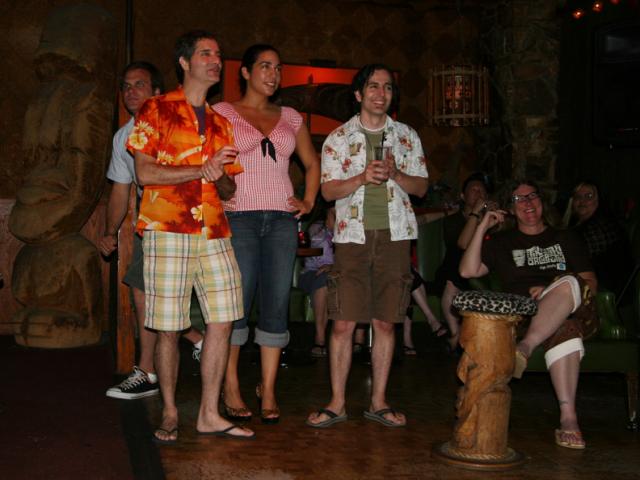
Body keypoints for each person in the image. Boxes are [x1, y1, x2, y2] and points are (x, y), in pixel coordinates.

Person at [128, 30, 254, 443]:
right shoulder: (156, 109)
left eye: (218, 54)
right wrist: (201, 168)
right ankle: (168, 411)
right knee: (168, 327)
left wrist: (218, 175)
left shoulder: (221, 122)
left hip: (214, 229)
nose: (215, 60)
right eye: (205, 53)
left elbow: (229, 189)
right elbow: (144, 173)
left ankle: (208, 414)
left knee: (224, 318)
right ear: (184, 62)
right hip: (168, 228)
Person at [306, 64, 428, 428]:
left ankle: (378, 401)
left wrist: (396, 174)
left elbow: (422, 187)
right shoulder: (338, 138)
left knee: (386, 323)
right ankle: (337, 402)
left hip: (395, 236)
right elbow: (328, 191)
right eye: (373, 86)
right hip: (352, 238)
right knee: (343, 323)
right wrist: (361, 177)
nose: (380, 93)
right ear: (359, 94)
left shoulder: (406, 135)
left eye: (387, 87)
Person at [213, 44, 320, 424]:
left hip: (281, 221)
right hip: (239, 218)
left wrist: (308, 200)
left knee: (276, 303)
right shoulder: (223, 112)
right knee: (237, 304)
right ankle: (230, 386)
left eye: (277, 68)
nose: (273, 74)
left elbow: (311, 163)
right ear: (245, 72)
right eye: (264, 66)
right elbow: (210, 162)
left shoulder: (290, 116)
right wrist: (220, 188)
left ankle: (269, 388)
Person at [459, 178, 598, 449]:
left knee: (568, 283)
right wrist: (483, 226)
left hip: (571, 307)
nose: (527, 203)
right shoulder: (502, 243)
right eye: (519, 199)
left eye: (532, 196)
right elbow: (467, 271)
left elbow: (590, 283)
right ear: (511, 209)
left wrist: (551, 289)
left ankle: (524, 348)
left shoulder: (566, 237)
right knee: (565, 329)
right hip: (526, 317)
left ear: (542, 201)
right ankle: (569, 419)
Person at [100, 61, 204, 400]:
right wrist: (109, 231)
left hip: (193, 219)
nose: (130, 91)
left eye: (139, 84)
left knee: (150, 294)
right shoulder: (123, 137)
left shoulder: (177, 121)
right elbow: (120, 190)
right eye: (126, 86)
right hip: (153, 224)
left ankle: (163, 363)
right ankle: (153, 367)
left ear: (157, 92)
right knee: (143, 291)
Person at [435, 172, 490, 350]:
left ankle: (457, 337)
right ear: (463, 196)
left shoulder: (491, 218)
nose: (478, 194)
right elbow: (462, 244)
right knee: (454, 267)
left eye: (481, 191)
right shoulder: (452, 220)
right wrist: (475, 214)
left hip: (483, 269)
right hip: (454, 269)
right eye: (473, 190)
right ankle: (456, 333)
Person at [564, 181, 633, 297]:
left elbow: (576, 256)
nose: (582, 201)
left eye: (589, 196)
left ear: (599, 200)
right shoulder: (576, 225)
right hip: (593, 286)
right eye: (578, 197)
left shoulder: (603, 225)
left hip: (609, 294)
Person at [298, 206, 336, 358]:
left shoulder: (350, 228)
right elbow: (319, 260)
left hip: (339, 274)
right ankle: (320, 339)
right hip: (311, 273)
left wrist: (334, 266)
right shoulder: (317, 229)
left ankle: (356, 341)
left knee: (328, 279)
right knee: (323, 280)